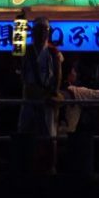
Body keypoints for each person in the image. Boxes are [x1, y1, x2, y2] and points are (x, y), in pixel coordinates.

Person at [18, 17, 62, 175]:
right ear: (34, 32)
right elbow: (22, 72)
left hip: (45, 96)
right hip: (29, 96)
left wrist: (55, 92)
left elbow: (58, 73)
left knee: (50, 133)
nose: (42, 34)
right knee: (24, 131)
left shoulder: (52, 52)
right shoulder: (27, 51)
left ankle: (51, 167)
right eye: (39, 30)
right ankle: (26, 165)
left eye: (45, 30)